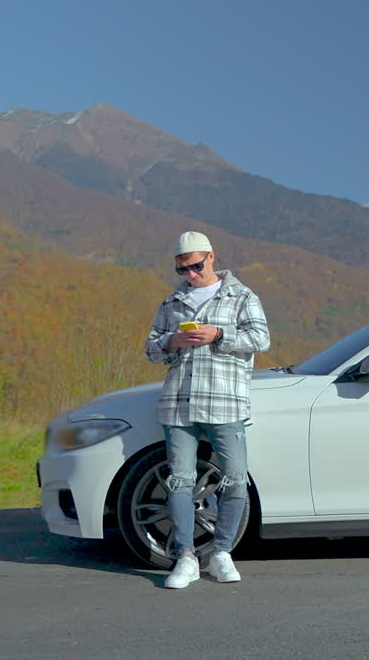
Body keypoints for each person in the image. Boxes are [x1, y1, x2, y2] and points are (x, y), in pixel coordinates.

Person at [145, 230, 271, 589]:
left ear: (211, 257)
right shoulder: (171, 304)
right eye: (182, 269)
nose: (190, 274)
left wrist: (218, 335)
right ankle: (185, 557)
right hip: (179, 405)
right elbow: (151, 348)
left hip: (225, 401)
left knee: (235, 480)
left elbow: (261, 339)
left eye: (196, 266)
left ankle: (222, 552)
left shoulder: (243, 297)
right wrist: (173, 340)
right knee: (180, 482)